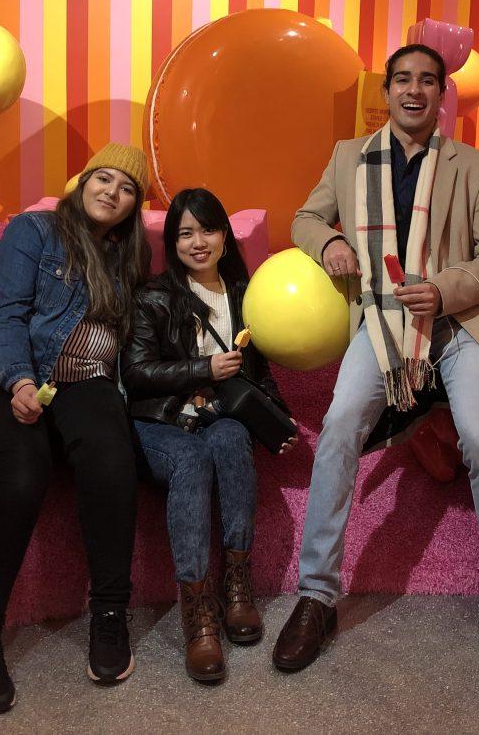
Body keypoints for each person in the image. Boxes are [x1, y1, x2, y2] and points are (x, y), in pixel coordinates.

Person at [273, 44, 479, 673]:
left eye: (427, 81)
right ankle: (316, 595)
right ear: (385, 91)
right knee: (337, 429)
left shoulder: (473, 165)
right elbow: (304, 218)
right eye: (402, 80)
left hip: (461, 321)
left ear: (443, 95)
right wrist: (330, 239)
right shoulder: (348, 157)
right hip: (384, 325)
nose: (414, 91)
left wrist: (445, 290)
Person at [0, 143, 151, 712]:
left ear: (135, 205)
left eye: (126, 187)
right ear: (82, 182)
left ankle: (110, 613)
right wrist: (16, 381)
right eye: (102, 178)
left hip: (80, 382)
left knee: (112, 451)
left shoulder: (129, 258)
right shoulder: (33, 231)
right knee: (22, 467)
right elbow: (5, 314)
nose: (111, 191)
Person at [124, 188, 295, 683]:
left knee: (228, 440)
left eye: (207, 229)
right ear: (172, 243)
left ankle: (237, 585)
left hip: (219, 415)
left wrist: (275, 422)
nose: (197, 242)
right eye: (184, 233)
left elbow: (259, 374)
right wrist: (202, 367)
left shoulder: (245, 293)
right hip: (161, 420)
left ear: (225, 235)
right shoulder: (154, 296)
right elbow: (135, 373)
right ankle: (198, 613)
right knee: (192, 460)